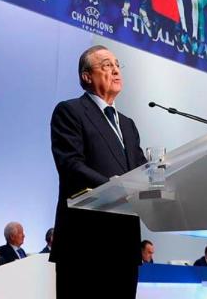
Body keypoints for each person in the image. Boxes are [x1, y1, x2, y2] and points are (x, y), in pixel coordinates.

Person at [50, 45, 148, 299]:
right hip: (85, 243)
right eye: (106, 65)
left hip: (124, 244)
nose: (115, 69)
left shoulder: (128, 125)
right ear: (86, 76)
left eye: (117, 64)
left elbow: (140, 170)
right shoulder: (70, 111)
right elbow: (71, 165)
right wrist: (114, 187)